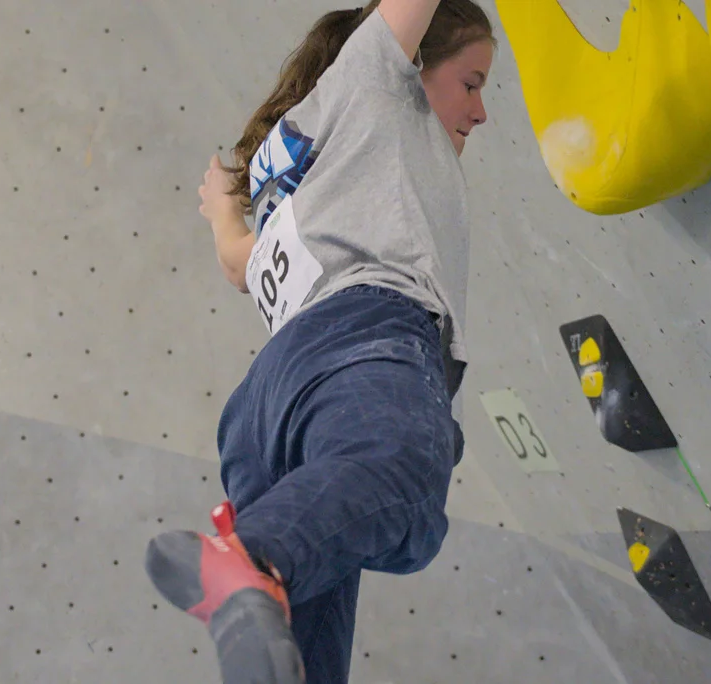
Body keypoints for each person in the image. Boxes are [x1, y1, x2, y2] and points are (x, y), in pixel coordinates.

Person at [142, 1, 495, 682]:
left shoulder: (303, 161)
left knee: (298, 631)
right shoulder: (372, 75)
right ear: (407, 59)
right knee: (405, 478)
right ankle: (245, 557)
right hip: (365, 341)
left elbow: (240, 265)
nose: (480, 113)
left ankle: (253, 568)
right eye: (472, 83)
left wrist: (223, 208)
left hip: (269, 405)